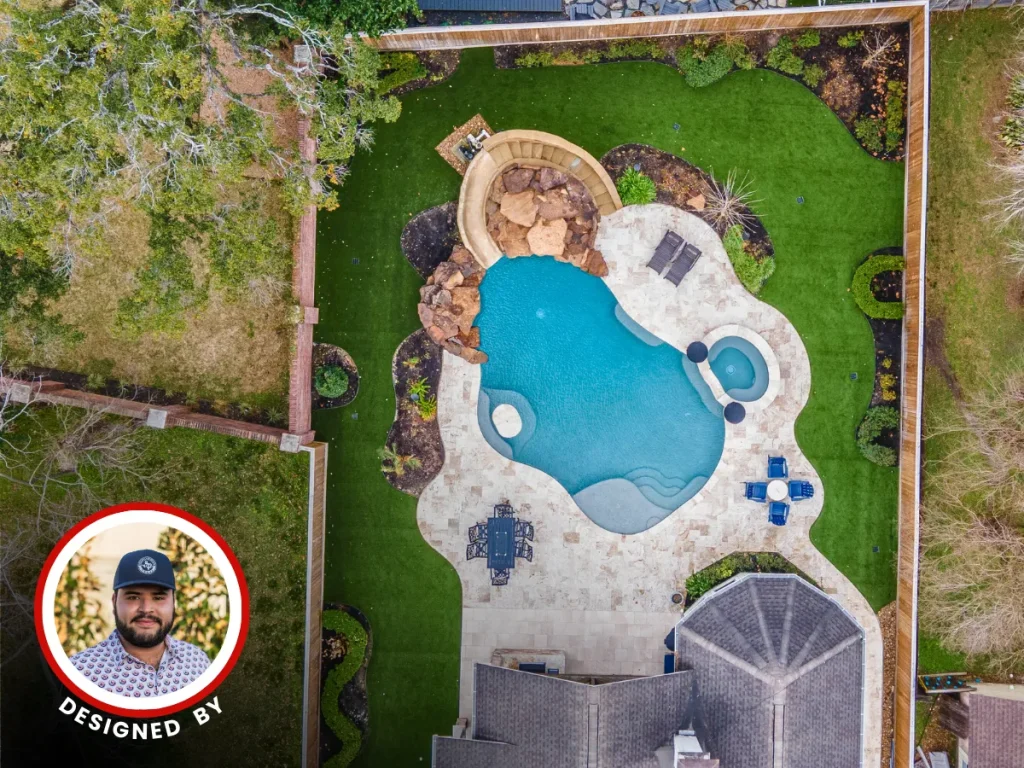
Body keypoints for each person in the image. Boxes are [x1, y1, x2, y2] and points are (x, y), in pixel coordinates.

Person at [69, 549, 211, 698]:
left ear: (173, 602)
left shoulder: (197, 662)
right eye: (133, 597)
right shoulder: (80, 673)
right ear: (114, 602)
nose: (146, 609)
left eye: (158, 598)